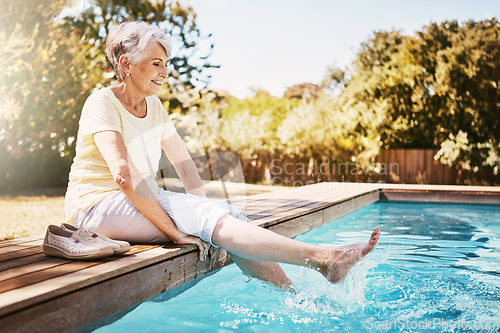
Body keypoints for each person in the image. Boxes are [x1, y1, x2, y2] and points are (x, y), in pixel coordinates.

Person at [64, 20, 380, 289]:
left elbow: (186, 166)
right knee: (212, 220)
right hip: (94, 210)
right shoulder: (102, 102)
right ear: (126, 65)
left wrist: (202, 207)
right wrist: (178, 232)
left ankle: (293, 292)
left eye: (166, 63)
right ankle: (324, 259)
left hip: (138, 201)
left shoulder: (155, 107)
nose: (166, 71)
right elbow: (123, 174)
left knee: (228, 217)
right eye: (156, 63)